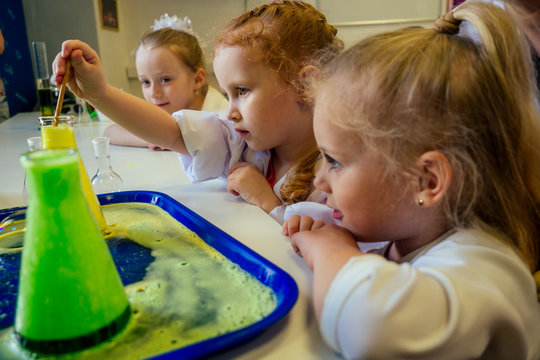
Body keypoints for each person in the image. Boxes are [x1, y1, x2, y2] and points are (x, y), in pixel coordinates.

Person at [282, 2, 540, 359]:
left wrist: (332, 253)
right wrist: (323, 235)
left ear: (427, 181)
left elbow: (372, 326)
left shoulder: (488, 270)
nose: (318, 178)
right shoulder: (401, 229)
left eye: (334, 161)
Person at [53, 1, 342, 223]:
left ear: (306, 85)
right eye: (227, 94)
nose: (230, 112)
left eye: (242, 91)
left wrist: (269, 204)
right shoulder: (242, 142)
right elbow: (171, 132)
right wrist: (98, 93)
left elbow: (338, 252)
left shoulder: (338, 178)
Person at [104, 14, 228, 150]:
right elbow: (110, 132)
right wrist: (154, 138)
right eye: (145, 82)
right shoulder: (167, 106)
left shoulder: (222, 119)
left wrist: (165, 137)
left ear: (197, 79)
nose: (153, 93)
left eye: (165, 80)